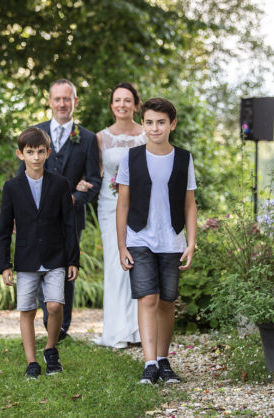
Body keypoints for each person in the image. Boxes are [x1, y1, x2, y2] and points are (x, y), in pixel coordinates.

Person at [115, 97, 197, 384]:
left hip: (172, 239)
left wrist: (191, 242)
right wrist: (122, 244)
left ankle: (163, 360)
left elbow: (189, 204)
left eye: (161, 122)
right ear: (144, 125)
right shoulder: (131, 158)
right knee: (147, 297)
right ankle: (149, 363)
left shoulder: (184, 158)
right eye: (149, 122)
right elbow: (122, 204)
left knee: (166, 301)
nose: (154, 128)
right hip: (139, 237)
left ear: (172, 124)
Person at [21, 79, 102, 341]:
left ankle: (62, 327)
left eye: (67, 99)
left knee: (66, 267)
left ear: (75, 102)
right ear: (50, 101)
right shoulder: (35, 133)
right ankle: (47, 321)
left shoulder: (87, 138)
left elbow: (94, 181)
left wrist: (73, 198)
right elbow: (21, 176)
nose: (62, 104)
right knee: (40, 264)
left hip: (71, 217)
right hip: (36, 218)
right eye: (57, 99)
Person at [0, 127, 80, 378]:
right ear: (20, 154)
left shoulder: (60, 184)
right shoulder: (11, 187)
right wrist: (5, 264)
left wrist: (72, 259)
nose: (35, 157)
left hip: (55, 257)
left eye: (40, 152)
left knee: (55, 306)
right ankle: (32, 362)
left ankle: (51, 348)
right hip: (26, 260)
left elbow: (69, 224)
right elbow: (3, 229)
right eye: (30, 152)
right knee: (27, 310)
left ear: (48, 153)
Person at [90, 82, 146, 349]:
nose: (122, 104)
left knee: (139, 261)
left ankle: (138, 329)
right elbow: (96, 172)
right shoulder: (101, 137)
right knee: (115, 264)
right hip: (110, 204)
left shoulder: (147, 134)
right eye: (117, 100)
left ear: (136, 105)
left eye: (127, 100)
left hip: (141, 205)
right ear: (111, 105)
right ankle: (116, 330)